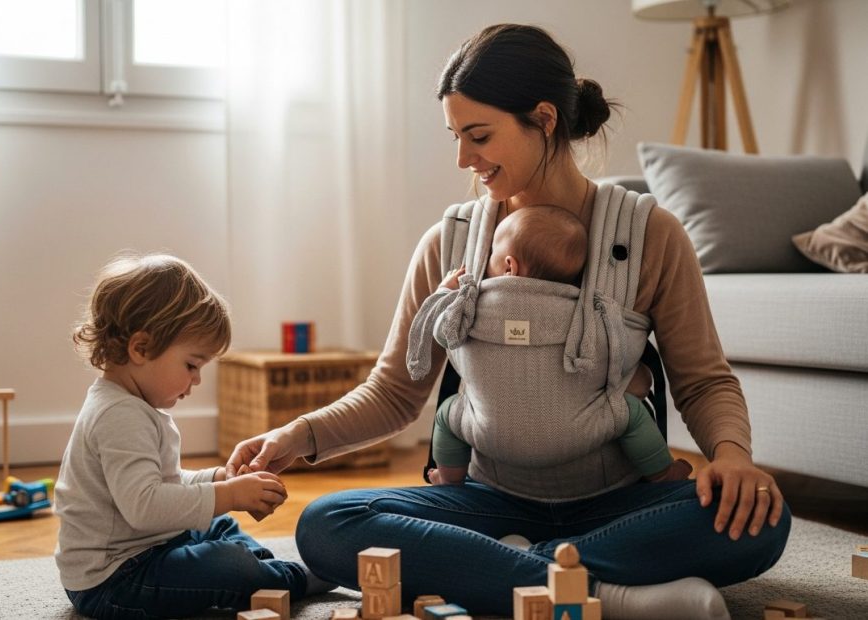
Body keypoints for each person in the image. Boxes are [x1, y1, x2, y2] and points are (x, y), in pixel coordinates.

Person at [226, 24, 790, 620]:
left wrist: (732, 455)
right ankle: (611, 596)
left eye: (479, 135)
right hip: (486, 500)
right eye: (455, 136)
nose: (464, 159)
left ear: (544, 119)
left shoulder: (651, 234)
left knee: (764, 518)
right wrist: (297, 435)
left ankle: (495, 566)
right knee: (326, 523)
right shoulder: (449, 242)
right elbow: (395, 392)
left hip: (617, 502)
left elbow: (703, 379)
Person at [56, 253, 332, 619]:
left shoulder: (133, 406)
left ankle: (260, 573)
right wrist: (228, 494)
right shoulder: (118, 415)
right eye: (191, 365)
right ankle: (280, 579)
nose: (196, 380)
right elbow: (145, 507)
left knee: (219, 524)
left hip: (150, 547)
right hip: (113, 580)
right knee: (225, 563)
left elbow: (165, 484)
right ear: (141, 348)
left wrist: (216, 479)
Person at [413, 205, 692, 486]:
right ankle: (662, 473)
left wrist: (445, 292)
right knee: (630, 413)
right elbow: (612, 354)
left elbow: (442, 332)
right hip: (578, 437)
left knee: (448, 414)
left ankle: (449, 480)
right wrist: (636, 380)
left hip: (488, 435)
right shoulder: (585, 313)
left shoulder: (475, 306)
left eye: (491, 258)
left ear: (509, 265)